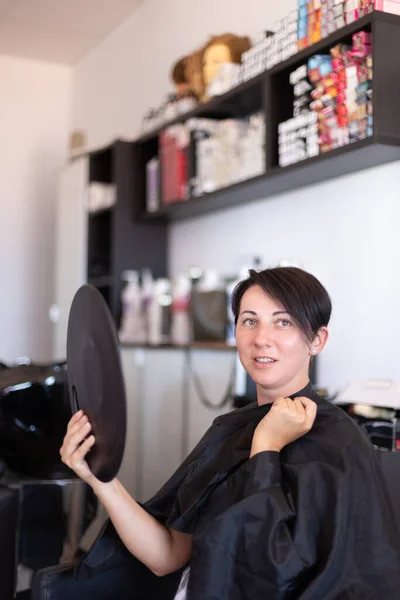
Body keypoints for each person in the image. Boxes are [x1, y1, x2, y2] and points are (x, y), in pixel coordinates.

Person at [60, 266, 400, 599]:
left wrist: (266, 448)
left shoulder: (340, 444)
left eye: (283, 322)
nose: (261, 338)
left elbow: (265, 576)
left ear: (317, 340)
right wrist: (100, 480)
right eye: (249, 321)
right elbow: (168, 556)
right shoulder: (230, 428)